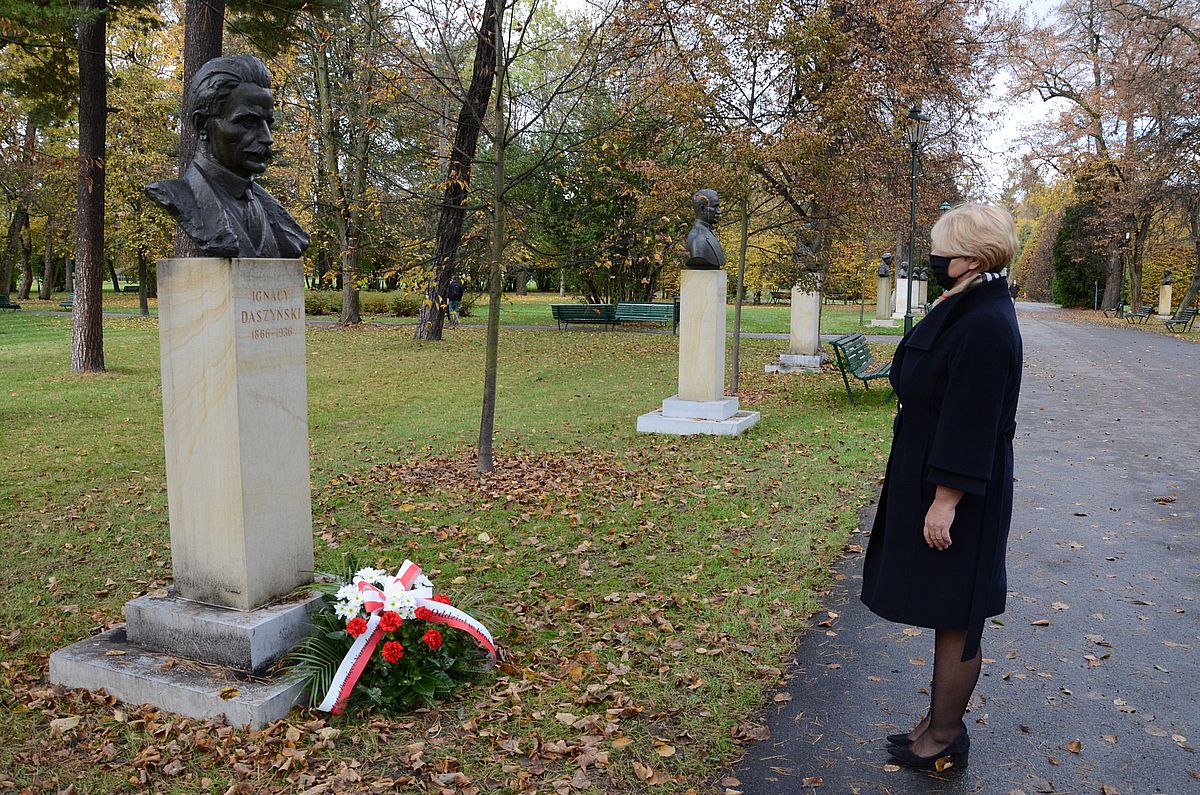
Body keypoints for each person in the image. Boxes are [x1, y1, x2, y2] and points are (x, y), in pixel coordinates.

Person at [860, 203, 1023, 770]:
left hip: (960, 489)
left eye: (940, 250)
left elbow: (972, 419)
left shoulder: (986, 322)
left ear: (971, 259)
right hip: (932, 471)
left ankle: (946, 735)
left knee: (959, 610)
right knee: (947, 603)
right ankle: (936, 723)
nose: (932, 257)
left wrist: (945, 502)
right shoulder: (966, 302)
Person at [145, 55, 309, 258]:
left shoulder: (283, 223)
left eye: (268, 124)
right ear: (203, 124)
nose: (268, 138)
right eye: (248, 123)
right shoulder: (181, 196)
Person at [685, 189, 726, 269]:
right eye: (714, 207)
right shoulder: (697, 240)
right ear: (703, 209)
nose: (719, 211)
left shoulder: (708, 233)